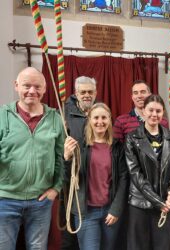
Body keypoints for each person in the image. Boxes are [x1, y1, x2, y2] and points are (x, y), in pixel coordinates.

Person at [0, 67, 65, 250]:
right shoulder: (2, 115)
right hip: (5, 199)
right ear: (16, 86)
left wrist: (56, 188)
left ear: (44, 89)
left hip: (40, 201)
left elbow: (62, 158)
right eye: (27, 86)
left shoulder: (55, 118)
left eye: (37, 87)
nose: (32, 91)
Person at [64, 103, 128, 250]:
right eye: (96, 118)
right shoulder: (79, 145)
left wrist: (116, 209)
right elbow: (68, 179)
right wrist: (67, 158)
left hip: (110, 211)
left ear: (110, 120)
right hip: (86, 212)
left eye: (104, 117)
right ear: (89, 120)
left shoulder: (117, 147)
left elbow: (124, 179)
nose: (100, 122)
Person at [125, 94, 170, 250]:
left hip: (165, 204)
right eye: (151, 110)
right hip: (140, 204)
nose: (154, 114)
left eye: (158, 111)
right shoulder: (132, 138)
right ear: (143, 111)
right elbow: (135, 174)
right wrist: (158, 202)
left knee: (161, 246)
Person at [60, 76, 97, 250]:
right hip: (71, 183)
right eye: (83, 92)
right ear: (76, 93)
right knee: (69, 234)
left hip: (94, 183)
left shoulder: (99, 112)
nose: (87, 95)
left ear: (95, 93)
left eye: (90, 92)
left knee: (90, 233)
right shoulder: (64, 114)